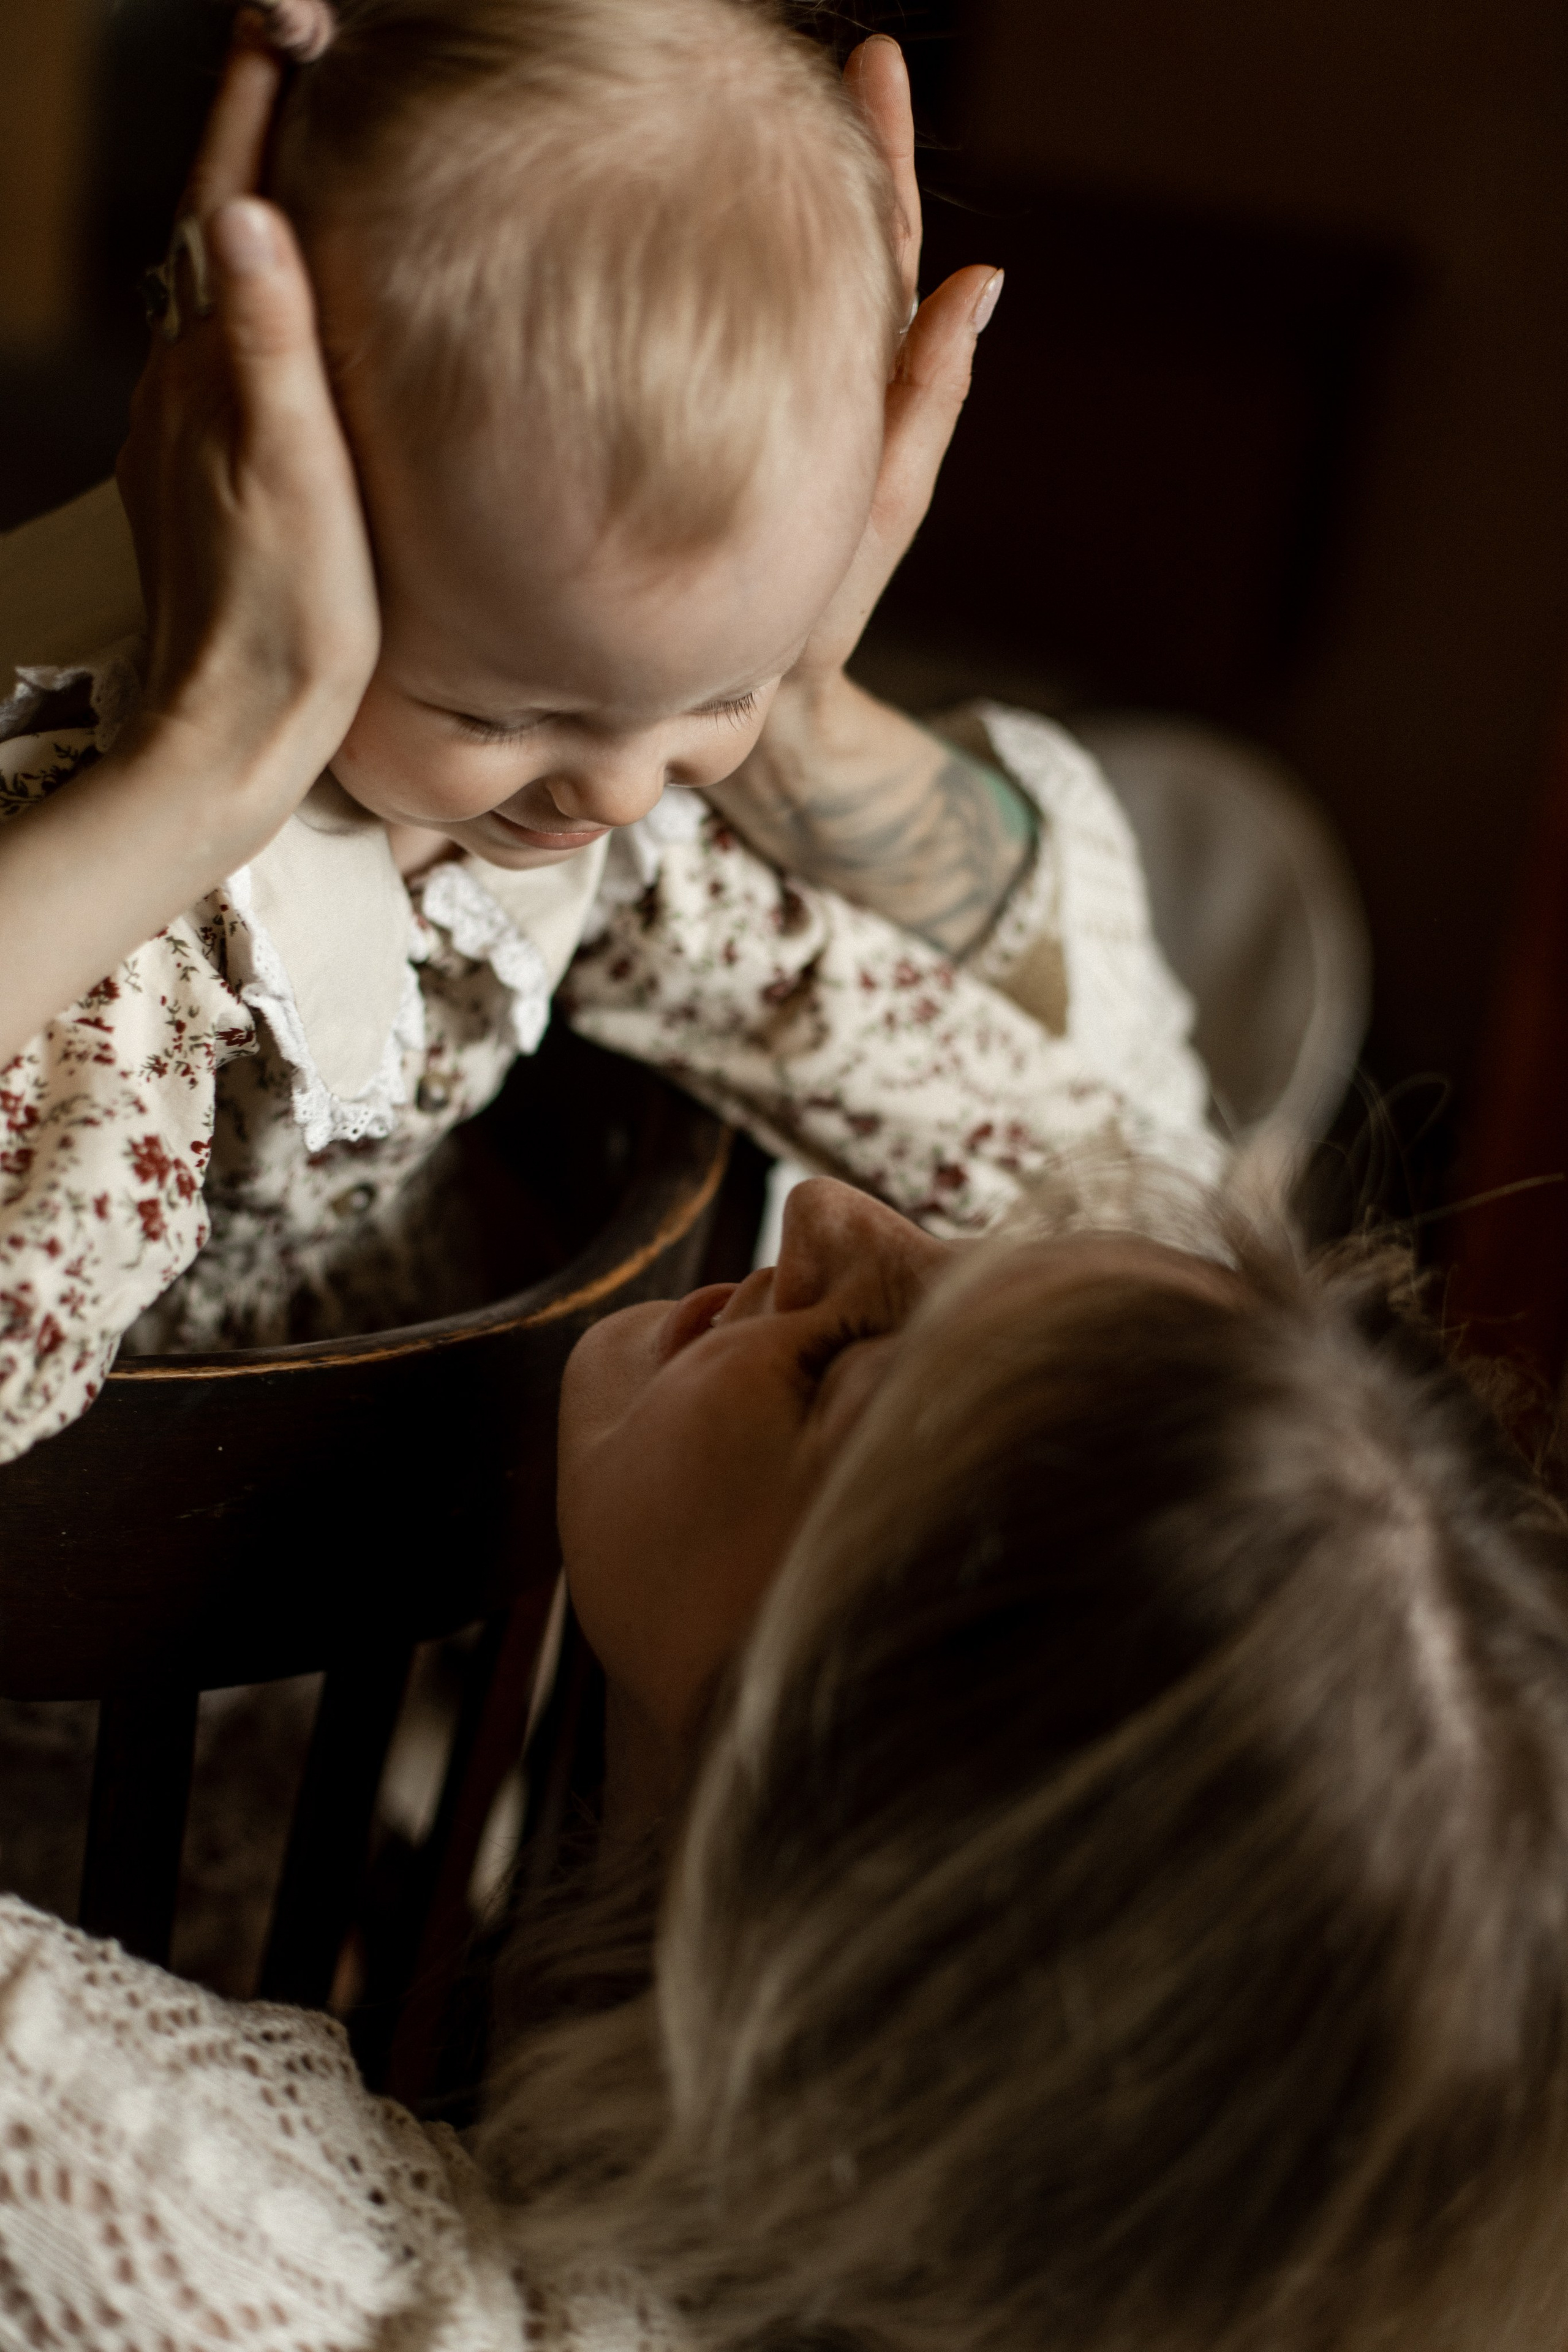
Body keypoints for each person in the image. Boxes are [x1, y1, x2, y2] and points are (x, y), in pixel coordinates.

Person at [2, 1170, 1568, 2351]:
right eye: (993, 1237)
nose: (824, 1208)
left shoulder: (155, 2204)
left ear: (820, 1832)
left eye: (844, 1373)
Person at [0, 0, 1218, 1466]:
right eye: (500, 712)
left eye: (720, 694)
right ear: (270, 503)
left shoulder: (613, 824)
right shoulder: (140, 944)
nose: (630, 790)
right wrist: (195, 781)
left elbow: (1081, 1164)